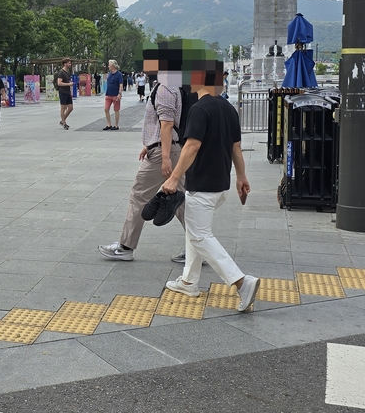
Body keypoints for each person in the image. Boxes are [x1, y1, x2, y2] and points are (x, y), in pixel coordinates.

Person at [160, 63, 259, 311]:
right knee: (194, 231)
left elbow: (191, 146)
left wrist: (174, 178)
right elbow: (236, 148)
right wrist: (241, 177)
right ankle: (188, 281)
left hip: (202, 183)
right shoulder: (228, 108)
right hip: (219, 183)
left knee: (200, 235)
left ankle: (241, 282)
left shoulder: (199, 109)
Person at [99, 58, 186, 262]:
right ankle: (201, 247)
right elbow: (163, 124)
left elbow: (167, 124)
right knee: (181, 201)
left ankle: (126, 246)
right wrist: (150, 144)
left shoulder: (165, 88)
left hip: (163, 154)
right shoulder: (172, 86)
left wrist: (163, 157)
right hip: (168, 149)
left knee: (139, 195)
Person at [102, 59, 123, 131]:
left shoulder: (119, 74)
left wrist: (119, 93)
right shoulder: (109, 74)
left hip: (115, 94)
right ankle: (109, 124)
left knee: (116, 110)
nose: (108, 66)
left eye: (109, 65)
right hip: (108, 94)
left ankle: (116, 125)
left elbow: (121, 84)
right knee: (106, 109)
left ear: (113, 66)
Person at [56, 58, 74, 130]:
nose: (70, 64)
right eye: (69, 63)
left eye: (70, 63)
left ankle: (62, 121)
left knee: (70, 108)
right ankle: (64, 123)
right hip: (63, 92)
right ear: (65, 64)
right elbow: (59, 83)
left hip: (68, 92)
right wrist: (69, 84)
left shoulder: (67, 72)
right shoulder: (61, 72)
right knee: (63, 108)